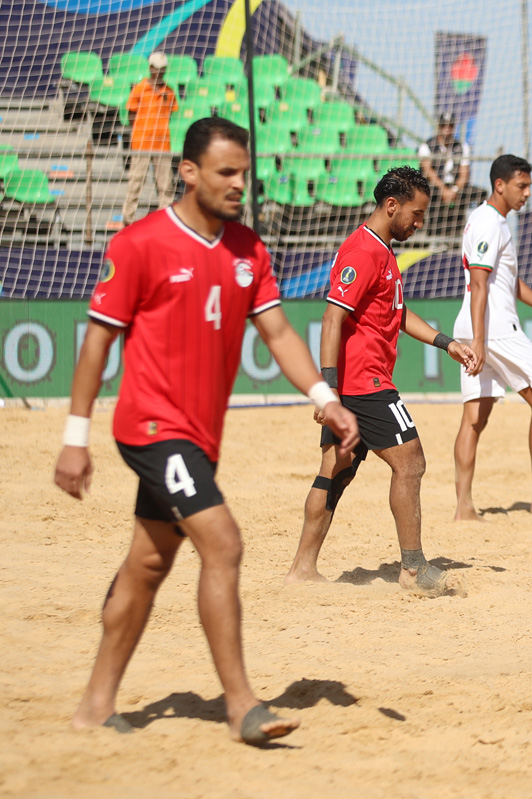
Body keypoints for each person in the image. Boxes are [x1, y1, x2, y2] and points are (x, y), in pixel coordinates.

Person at [54, 117, 359, 744]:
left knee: (147, 562)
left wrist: (326, 396)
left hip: (198, 439)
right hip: (149, 427)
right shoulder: (140, 244)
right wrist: (75, 435)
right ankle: (243, 705)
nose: (238, 184)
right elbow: (96, 344)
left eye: (243, 173)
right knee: (222, 543)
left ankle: (94, 704)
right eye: (226, 172)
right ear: (188, 172)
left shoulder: (249, 249)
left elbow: (276, 333)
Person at [285, 167, 476, 592]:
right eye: (417, 213)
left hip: (356, 383)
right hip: (364, 383)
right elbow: (332, 318)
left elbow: (398, 313)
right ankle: (413, 569)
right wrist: (329, 390)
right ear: (392, 206)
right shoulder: (363, 252)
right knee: (411, 462)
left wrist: (447, 343)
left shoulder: (383, 250)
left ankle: (302, 569)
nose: (420, 222)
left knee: (336, 468)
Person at [451, 154, 532, 522]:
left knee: (474, 419)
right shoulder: (490, 222)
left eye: (529, 186)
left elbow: (506, 282)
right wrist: (479, 341)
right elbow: (479, 283)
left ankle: (464, 508)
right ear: (500, 185)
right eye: (521, 186)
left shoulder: (488, 221)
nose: (527, 193)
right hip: (493, 331)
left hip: (478, 329)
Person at [122, 51, 178, 227]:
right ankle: (128, 220)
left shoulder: (169, 92)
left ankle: (165, 221)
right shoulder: (140, 88)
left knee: (165, 186)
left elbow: (169, 114)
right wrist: (140, 133)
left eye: (163, 69)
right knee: (135, 183)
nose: (160, 72)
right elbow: (131, 114)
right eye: (157, 69)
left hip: (162, 144)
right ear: (150, 68)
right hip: (142, 144)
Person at [417, 112, 485, 238]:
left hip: (455, 188)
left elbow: (464, 174)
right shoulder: (427, 146)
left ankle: (478, 232)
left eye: (450, 126)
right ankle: (431, 233)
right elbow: (428, 172)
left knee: (481, 193)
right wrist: (443, 189)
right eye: (443, 126)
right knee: (425, 194)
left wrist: (454, 189)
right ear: (439, 127)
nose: (447, 130)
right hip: (435, 188)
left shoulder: (462, 147)